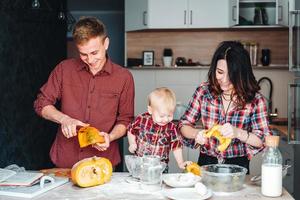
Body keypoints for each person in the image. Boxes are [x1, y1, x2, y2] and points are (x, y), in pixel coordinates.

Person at [34, 17, 134, 168]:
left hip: (103, 162)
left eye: (94, 52)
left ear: (106, 43)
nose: (90, 59)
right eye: (83, 54)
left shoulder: (124, 77)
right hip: (65, 159)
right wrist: (64, 119)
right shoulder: (64, 69)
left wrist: (110, 136)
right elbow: (42, 103)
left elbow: (126, 120)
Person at [179, 41, 271, 173]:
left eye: (232, 75)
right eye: (220, 72)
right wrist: (196, 134)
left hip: (238, 165)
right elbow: (183, 125)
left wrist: (238, 133)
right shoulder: (204, 92)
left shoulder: (255, 100)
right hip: (206, 162)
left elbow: (262, 140)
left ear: (241, 74)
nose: (225, 80)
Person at [127, 87, 191, 171]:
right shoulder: (141, 120)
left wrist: (180, 163)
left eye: (169, 115)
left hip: (160, 168)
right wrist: (132, 143)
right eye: (161, 116)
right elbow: (131, 130)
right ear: (150, 110)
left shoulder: (171, 128)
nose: (165, 119)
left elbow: (176, 146)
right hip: (141, 165)